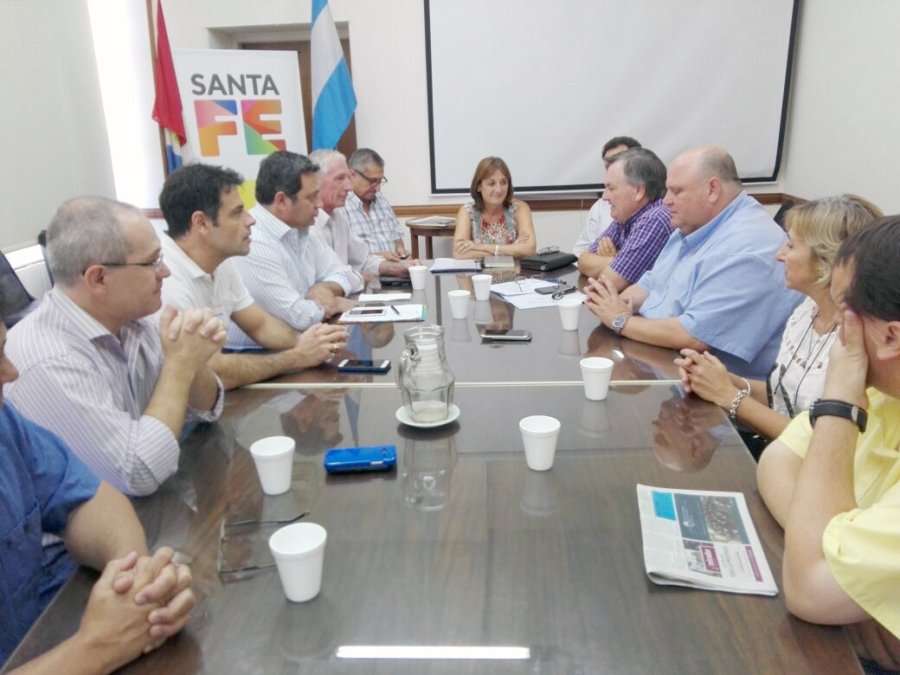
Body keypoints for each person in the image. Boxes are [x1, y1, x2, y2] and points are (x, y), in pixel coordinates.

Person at [0, 321, 195, 670]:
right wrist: (97, 647)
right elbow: (139, 468)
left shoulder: (6, 424)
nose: (11, 373)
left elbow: (89, 499)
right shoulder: (50, 359)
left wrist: (137, 584)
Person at [756, 216, 900, 672]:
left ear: (891, 335)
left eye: (843, 311)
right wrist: (822, 545)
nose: (836, 326)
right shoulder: (883, 388)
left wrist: (838, 399)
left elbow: (809, 591)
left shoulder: (856, 382)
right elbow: (776, 460)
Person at [6, 197, 224, 496]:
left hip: (154, 506)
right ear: (98, 279)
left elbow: (207, 411)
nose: (166, 273)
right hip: (74, 539)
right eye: (152, 263)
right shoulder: (48, 359)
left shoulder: (137, 318)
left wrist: (194, 356)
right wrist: (180, 365)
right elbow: (137, 474)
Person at [676, 195, 882, 456]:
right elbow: (784, 396)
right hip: (775, 457)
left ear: (826, 262)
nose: (779, 254)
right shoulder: (806, 310)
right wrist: (722, 379)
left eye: (791, 246)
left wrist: (728, 396)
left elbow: (819, 444)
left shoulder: (859, 343)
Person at [584, 146, 801, 379]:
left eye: (676, 191)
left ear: (712, 190)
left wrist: (620, 320)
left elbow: (694, 335)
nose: (666, 201)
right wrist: (622, 302)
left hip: (717, 394)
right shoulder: (693, 224)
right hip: (665, 359)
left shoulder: (748, 246)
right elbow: (651, 281)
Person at [158, 163, 348, 390]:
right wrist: (297, 356)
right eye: (238, 213)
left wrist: (313, 344)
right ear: (202, 223)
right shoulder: (165, 281)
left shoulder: (221, 263)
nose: (251, 220)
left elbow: (260, 325)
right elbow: (212, 374)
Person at [228, 151, 356, 346]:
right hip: (256, 361)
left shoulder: (304, 228)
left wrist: (323, 287)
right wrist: (333, 303)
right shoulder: (253, 240)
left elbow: (343, 274)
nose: (319, 204)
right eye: (312, 197)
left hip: (301, 346)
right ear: (282, 201)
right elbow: (298, 316)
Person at [310, 149, 414, 293]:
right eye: (340, 178)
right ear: (315, 182)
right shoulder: (307, 223)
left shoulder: (337, 216)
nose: (348, 186)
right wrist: (359, 278)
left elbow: (363, 259)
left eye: (347, 178)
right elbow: (333, 275)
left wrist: (397, 268)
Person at [575, 147, 671, 290]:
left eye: (611, 188)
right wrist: (618, 260)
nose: (604, 197)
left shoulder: (654, 218)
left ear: (639, 191)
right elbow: (583, 260)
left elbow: (608, 282)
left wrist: (616, 263)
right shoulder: (625, 218)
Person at [453, 156, 537, 259]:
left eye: (503, 183)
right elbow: (460, 253)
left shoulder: (519, 209)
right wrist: (512, 249)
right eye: (491, 183)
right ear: (479, 186)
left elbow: (529, 249)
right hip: (478, 275)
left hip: (515, 273)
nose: (498, 190)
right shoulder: (467, 212)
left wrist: (480, 247)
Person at [572, 135, 642, 256]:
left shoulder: (654, 213)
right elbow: (579, 254)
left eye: (617, 162)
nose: (612, 168)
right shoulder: (601, 206)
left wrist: (612, 260)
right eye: (608, 165)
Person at [344, 148, 409, 259]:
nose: (378, 188)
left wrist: (400, 251)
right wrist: (380, 258)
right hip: (363, 275)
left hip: (395, 271)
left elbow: (397, 240)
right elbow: (342, 258)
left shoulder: (381, 201)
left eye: (379, 181)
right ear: (352, 175)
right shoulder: (340, 207)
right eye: (373, 182)